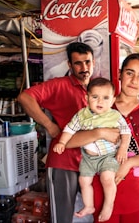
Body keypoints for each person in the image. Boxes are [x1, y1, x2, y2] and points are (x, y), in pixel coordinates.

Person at [17, 42, 120, 223]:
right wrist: (48, 125)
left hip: (91, 162)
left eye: (87, 62)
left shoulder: (98, 88)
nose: (84, 68)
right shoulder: (59, 85)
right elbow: (24, 97)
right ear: (69, 65)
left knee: (92, 214)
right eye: (78, 63)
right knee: (62, 217)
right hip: (63, 161)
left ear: (94, 62)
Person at [66, 53, 139, 223]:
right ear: (119, 74)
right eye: (129, 73)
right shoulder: (99, 105)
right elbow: (68, 141)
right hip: (101, 188)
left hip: (135, 190)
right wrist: (99, 133)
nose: (134, 80)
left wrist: (129, 163)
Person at [53, 77, 131, 221]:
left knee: (107, 178)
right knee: (83, 181)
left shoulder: (114, 116)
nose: (100, 102)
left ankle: (109, 204)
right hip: (88, 158)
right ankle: (89, 206)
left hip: (108, 156)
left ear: (113, 101)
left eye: (106, 98)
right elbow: (69, 129)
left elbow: (126, 132)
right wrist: (62, 143)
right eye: (95, 97)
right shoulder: (82, 115)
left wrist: (123, 150)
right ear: (87, 97)